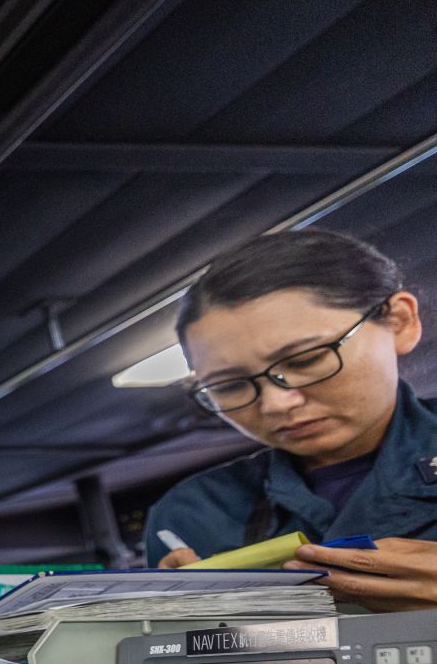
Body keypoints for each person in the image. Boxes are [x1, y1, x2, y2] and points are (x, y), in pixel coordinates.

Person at [147, 229, 437, 610]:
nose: (276, 403)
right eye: (230, 385)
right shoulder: (193, 512)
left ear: (400, 322)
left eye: (306, 360)